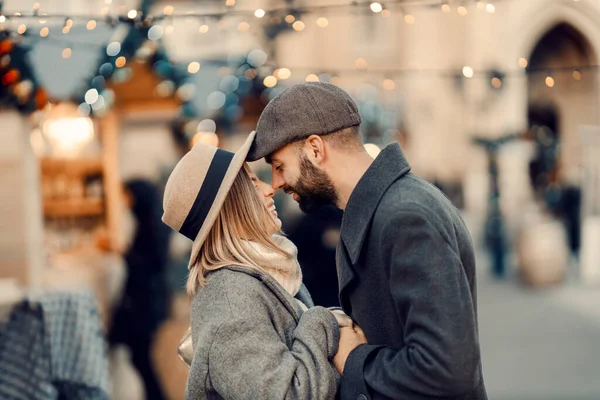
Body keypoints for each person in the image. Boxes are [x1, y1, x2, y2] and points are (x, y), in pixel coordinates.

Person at [246, 82, 487, 400]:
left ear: (316, 150)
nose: (275, 183)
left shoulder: (406, 216)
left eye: (279, 166)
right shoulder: (380, 209)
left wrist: (352, 360)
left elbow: (447, 370)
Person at [161, 131, 364, 399]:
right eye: (255, 184)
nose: (270, 189)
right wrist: (324, 321)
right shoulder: (230, 299)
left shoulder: (269, 273)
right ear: (233, 205)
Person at [109, 179, 172, 400]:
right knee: (140, 357)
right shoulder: (150, 221)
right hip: (150, 300)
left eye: (127, 196)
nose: (124, 202)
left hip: (146, 302)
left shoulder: (151, 225)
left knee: (142, 358)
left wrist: (120, 251)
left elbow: (147, 265)